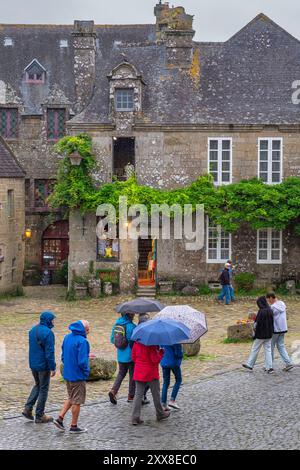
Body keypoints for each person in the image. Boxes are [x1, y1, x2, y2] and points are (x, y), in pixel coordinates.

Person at [53, 320, 90, 434]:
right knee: (76, 401)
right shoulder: (83, 341)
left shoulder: (67, 337)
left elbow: (63, 356)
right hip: (77, 375)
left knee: (71, 397)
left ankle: (60, 418)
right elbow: (82, 361)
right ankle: (74, 426)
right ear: (84, 329)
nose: (89, 331)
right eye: (88, 329)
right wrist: (86, 372)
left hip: (68, 373)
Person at [22, 311, 56, 423]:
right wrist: (53, 367)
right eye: (52, 320)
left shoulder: (32, 330)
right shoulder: (48, 333)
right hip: (43, 365)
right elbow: (49, 352)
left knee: (38, 385)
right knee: (43, 389)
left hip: (33, 364)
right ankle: (40, 415)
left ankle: (28, 408)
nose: (53, 322)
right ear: (48, 320)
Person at [131, 342, 170, 425]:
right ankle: (160, 413)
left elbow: (133, 358)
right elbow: (155, 360)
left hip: (139, 372)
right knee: (155, 394)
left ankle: (135, 417)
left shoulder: (136, 343)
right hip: (150, 372)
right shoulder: (151, 345)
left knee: (138, 395)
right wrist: (161, 352)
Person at [108, 313, 136, 405]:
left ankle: (113, 391)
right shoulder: (131, 326)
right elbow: (134, 341)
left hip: (120, 355)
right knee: (132, 375)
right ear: (130, 315)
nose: (134, 315)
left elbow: (112, 339)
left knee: (121, 374)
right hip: (131, 355)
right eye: (133, 314)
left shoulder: (116, 325)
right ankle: (131, 396)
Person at [242, 296, 274, 373]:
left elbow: (257, 324)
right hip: (269, 334)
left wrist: (254, 331)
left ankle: (250, 365)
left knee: (255, 349)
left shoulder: (261, 311)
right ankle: (269, 367)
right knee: (268, 350)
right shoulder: (270, 310)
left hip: (260, 335)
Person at [266, 292, 293, 371]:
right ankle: (288, 363)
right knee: (281, 346)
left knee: (270, 347)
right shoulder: (282, 303)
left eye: (268, 299)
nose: (268, 301)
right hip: (283, 328)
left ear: (271, 298)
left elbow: (269, 318)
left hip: (275, 329)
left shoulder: (272, 307)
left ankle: (269, 365)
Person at [161, 344, 183, 410]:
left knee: (165, 382)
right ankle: (172, 400)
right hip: (173, 362)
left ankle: (163, 403)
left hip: (164, 362)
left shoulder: (160, 338)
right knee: (178, 379)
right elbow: (178, 353)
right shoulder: (174, 340)